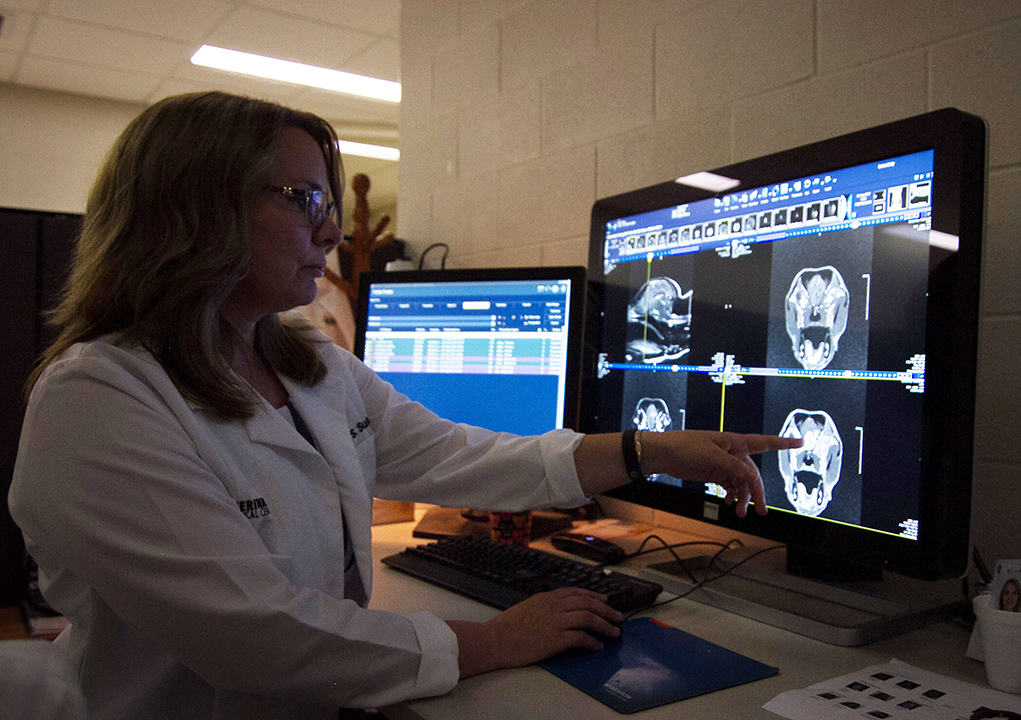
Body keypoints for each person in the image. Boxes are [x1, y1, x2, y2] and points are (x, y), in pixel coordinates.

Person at [8, 91, 801, 720]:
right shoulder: (99, 399)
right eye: (302, 198)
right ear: (194, 209)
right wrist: (489, 642)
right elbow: (251, 636)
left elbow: (465, 456)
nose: (327, 230)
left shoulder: (311, 363)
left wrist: (646, 451)